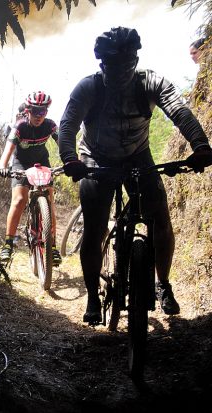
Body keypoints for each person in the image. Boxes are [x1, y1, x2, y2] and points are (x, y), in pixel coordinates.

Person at [59, 27, 212, 325]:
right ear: (102, 64)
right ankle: (92, 295)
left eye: (128, 63)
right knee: (94, 228)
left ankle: (163, 283)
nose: (121, 72)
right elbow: (68, 126)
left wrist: (201, 145)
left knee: (160, 217)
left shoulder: (150, 83)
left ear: (136, 59)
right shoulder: (88, 88)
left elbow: (180, 112)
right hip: (95, 158)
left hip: (137, 156)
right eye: (114, 65)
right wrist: (69, 159)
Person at [0, 91, 60, 265]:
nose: (38, 116)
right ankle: (8, 244)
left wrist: (71, 160)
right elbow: (8, 150)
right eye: (34, 111)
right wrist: (2, 166)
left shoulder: (50, 125)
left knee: (49, 200)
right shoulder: (20, 126)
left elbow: (63, 144)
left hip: (42, 161)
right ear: (27, 110)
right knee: (19, 200)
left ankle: (52, 246)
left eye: (42, 111)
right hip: (21, 163)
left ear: (46, 112)